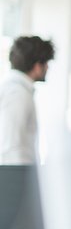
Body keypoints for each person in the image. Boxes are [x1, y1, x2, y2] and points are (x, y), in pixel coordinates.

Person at [0, 36, 54, 164]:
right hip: (16, 177)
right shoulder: (18, 93)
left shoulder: (16, 89)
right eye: (46, 64)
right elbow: (10, 146)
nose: (48, 68)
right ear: (37, 66)